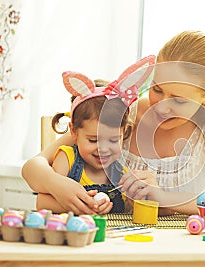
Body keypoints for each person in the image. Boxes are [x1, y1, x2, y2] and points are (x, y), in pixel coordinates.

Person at [22, 30, 205, 215]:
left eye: (179, 100)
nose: (161, 105)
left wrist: (164, 199)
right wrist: (57, 185)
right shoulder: (120, 113)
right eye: (157, 89)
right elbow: (33, 167)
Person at [37, 71, 135, 214]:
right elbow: (42, 202)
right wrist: (81, 208)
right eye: (93, 140)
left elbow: (130, 210)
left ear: (123, 132)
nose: (103, 149)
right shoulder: (67, 159)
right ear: (74, 131)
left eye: (114, 140)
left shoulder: (121, 171)